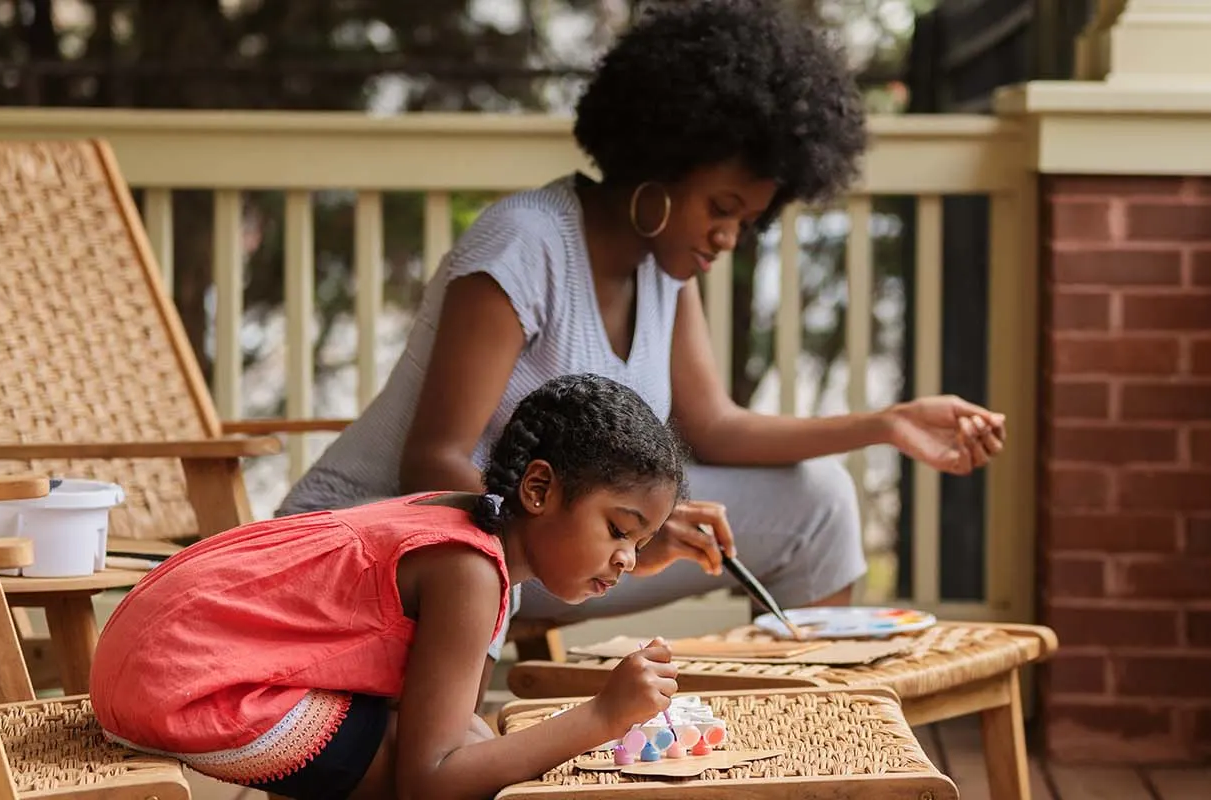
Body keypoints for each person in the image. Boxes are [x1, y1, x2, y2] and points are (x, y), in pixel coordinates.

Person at [278, 0, 1007, 661]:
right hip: (380, 543)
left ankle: (804, 731)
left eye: (747, 222)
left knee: (818, 503)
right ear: (662, 161)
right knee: (496, 552)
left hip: (533, 545)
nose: (728, 238)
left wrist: (887, 424)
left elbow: (714, 427)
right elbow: (432, 462)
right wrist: (616, 532)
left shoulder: (664, 269)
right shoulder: (522, 247)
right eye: (720, 208)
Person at [90, 374, 689, 800]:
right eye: (619, 529)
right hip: (182, 684)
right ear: (538, 490)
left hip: (142, 659)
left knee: (475, 745)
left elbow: (454, 728)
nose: (627, 558)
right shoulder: (469, 569)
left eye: (639, 543)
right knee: (466, 781)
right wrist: (603, 717)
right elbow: (431, 781)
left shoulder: (465, 525)